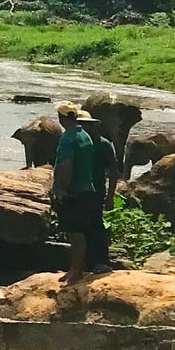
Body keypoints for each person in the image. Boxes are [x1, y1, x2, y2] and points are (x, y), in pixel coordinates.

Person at [52, 102, 102, 282]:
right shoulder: (84, 135)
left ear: (62, 118)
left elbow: (66, 165)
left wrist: (60, 188)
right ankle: (75, 269)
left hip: (73, 191)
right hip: (86, 188)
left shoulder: (68, 138)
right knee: (78, 232)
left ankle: (76, 271)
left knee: (75, 233)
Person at [78, 112, 118, 271]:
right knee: (80, 227)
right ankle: (85, 263)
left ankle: (102, 261)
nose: (83, 128)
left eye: (86, 125)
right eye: (80, 125)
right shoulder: (78, 143)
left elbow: (114, 172)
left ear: (94, 125)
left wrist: (110, 197)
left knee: (96, 226)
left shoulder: (103, 145)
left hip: (96, 191)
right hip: (78, 191)